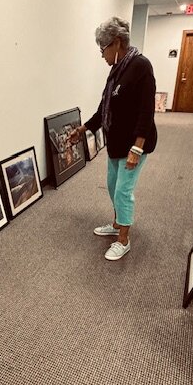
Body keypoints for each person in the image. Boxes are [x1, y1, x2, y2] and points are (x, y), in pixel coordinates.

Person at [69, 16, 157, 261]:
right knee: (112, 185)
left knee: (123, 191)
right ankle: (118, 223)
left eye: (103, 48)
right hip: (116, 144)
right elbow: (103, 109)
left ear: (117, 43)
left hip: (134, 144)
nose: (102, 55)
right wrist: (84, 128)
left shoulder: (141, 66)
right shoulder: (116, 71)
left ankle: (123, 240)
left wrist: (137, 149)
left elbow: (146, 111)